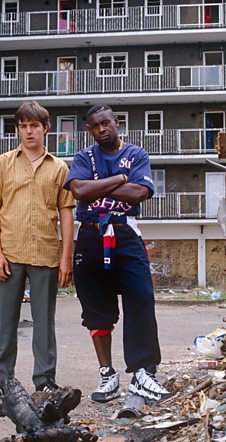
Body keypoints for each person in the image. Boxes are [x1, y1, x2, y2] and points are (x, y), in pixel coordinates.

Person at [64, 104, 171, 403]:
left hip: (125, 233)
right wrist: (121, 180)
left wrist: (96, 187)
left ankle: (142, 374)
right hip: (90, 235)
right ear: (90, 129)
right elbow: (79, 192)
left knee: (141, 297)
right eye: (95, 125)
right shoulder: (84, 157)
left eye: (106, 123)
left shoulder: (136, 154)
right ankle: (107, 375)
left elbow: (139, 194)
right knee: (96, 310)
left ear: (117, 122)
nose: (102, 129)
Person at [0, 101, 76, 403]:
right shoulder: (2, 163)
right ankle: (0, 382)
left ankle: (45, 381)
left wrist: (66, 256)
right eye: (23, 125)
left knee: (44, 322)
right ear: (18, 128)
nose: (29, 131)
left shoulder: (59, 168)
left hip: (46, 253)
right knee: (6, 320)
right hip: (10, 252)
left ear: (46, 128)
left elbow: (67, 214)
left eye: (34, 125)